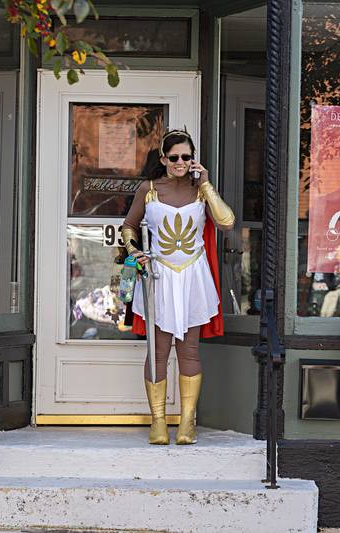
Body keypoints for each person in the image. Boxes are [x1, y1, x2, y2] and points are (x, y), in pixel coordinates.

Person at [121, 129, 234, 445]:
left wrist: (207, 183)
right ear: (163, 159)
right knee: (157, 351)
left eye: (186, 156)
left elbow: (226, 222)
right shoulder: (149, 189)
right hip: (159, 275)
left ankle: (187, 423)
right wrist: (134, 252)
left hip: (193, 276)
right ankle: (158, 421)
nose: (181, 162)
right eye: (174, 158)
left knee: (190, 350)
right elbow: (129, 226)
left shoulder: (201, 191)